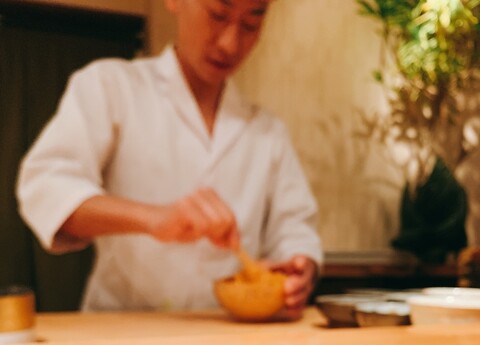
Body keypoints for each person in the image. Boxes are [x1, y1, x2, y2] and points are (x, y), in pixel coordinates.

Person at [17, 0, 322, 318]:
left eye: (250, 25)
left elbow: (295, 228)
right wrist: (153, 218)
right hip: (120, 327)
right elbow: (47, 188)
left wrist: (299, 269)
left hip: (228, 331)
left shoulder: (267, 131)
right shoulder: (111, 86)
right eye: (218, 15)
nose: (230, 44)